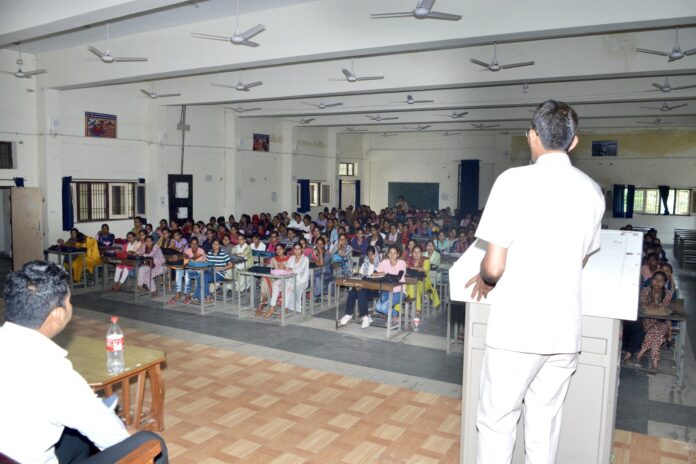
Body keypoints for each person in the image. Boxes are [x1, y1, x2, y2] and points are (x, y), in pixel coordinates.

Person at [465, 100, 604, 463]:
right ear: (574, 142)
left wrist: (484, 276)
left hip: (517, 329)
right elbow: (582, 257)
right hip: (564, 332)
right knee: (545, 426)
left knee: (497, 423)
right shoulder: (591, 190)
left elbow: (494, 268)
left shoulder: (513, 181)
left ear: (532, 136)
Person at [0, 261, 168, 463]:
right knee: (149, 442)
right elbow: (114, 438)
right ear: (59, 315)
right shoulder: (55, 374)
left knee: (78, 438)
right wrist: (126, 432)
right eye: (69, 301)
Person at [635, 271, 672, 372]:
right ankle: (653, 365)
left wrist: (655, 303)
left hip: (663, 323)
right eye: (655, 279)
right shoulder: (645, 291)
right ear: (651, 280)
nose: (657, 282)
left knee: (656, 332)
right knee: (656, 333)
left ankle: (643, 355)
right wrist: (648, 303)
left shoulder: (667, 293)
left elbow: (664, 307)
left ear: (664, 283)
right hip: (648, 322)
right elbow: (641, 304)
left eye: (661, 281)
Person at [340, 246, 381, 328]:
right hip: (363, 287)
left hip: (374, 290)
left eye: (372, 255)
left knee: (359, 291)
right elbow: (360, 276)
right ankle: (349, 314)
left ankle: (365, 316)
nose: (370, 257)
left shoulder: (380, 265)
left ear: (376, 254)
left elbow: (379, 280)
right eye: (369, 255)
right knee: (353, 292)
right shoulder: (365, 264)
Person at [267, 243, 309, 317]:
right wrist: (283, 267)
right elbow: (287, 267)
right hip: (289, 278)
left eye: (298, 249)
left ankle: (284, 308)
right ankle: (272, 307)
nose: (296, 251)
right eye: (295, 249)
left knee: (287, 287)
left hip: (300, 280)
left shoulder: (305, 259)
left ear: (302, 249)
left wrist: (287, 268)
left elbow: (299, 270)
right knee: (275, 284)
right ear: (293, 249)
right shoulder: (292, 258)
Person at [167, 237, 206, 305]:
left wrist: (182, 257)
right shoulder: (188, 250)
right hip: (190, 269)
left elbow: (193, 258)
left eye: (196, 244)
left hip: (200, 271)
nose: (194, 246)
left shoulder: (201, 251)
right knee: (178, 270)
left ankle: (187, 294)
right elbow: (184, 256)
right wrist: (178, 257)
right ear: (190, 244)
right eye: (192, 244)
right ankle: (178, 293)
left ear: (198, 244)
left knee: (187, 272)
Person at [373, 245, 407, 317]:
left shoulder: (402, 263)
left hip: (399, 292)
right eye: (390, 253)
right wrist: (384, 274)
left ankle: (395, 314)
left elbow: (397, 277)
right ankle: (395, 313)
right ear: (388, 254)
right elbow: (375, 274)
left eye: (394, 253)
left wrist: (384, 274)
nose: (392, 255)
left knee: (384, 307)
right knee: (378, 307)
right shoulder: (384, 262)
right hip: (386, 290)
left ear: (398, 254)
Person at [405, 245, 440, 311]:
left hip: (424, 282)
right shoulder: (408, 260)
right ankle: (415, 307)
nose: (416, 254)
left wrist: (409, 268)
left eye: (419, 252)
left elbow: (423, 269)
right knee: (407, 286)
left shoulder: (426, 261)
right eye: (414, 252)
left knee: (412, 287)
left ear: (421, 253)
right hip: (409, 282)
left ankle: (417, 308)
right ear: (412, 253)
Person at [313, 237, 333, 303]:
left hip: (326, 273)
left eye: (321, 244)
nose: (319, 245)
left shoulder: (327, 254)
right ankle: (312, 294)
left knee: (317, 278)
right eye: (318, 243)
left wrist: (320, 253)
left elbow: (322, 264)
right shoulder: (314, 252)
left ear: (324, 245)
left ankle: (316, 295)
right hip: (317, 271)